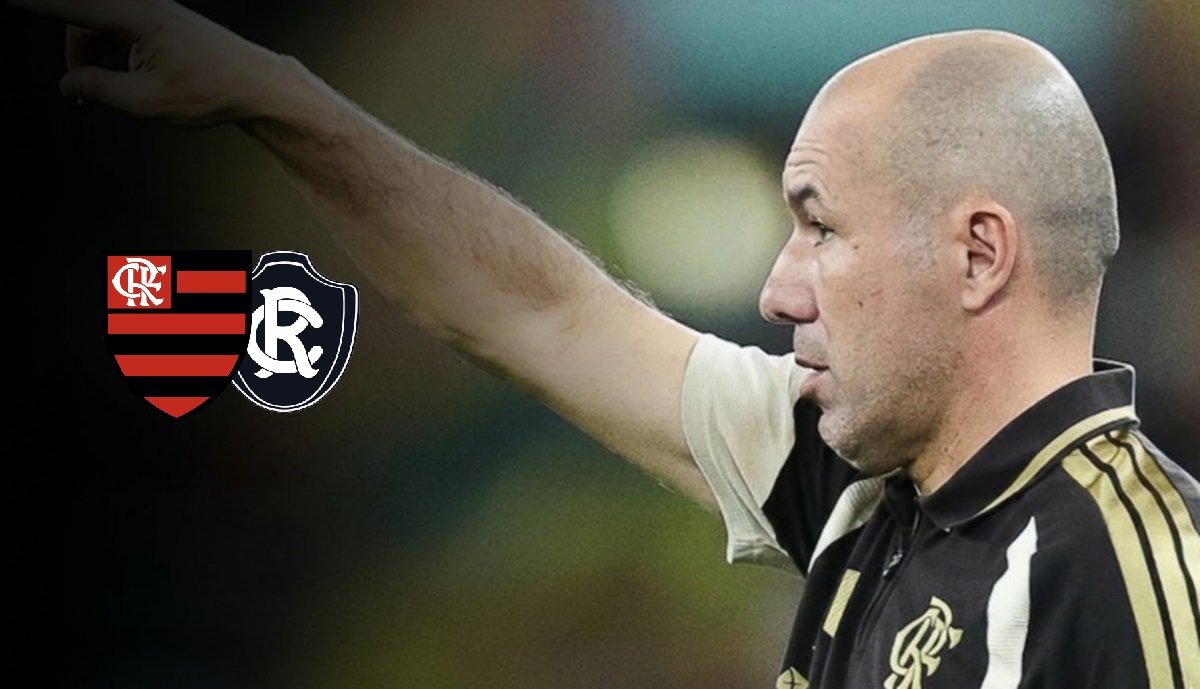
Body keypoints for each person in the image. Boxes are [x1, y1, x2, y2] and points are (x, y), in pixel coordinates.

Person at [14, 1, 1199, 686]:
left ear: (979, 255)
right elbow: (536, 310)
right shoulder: (849, 474)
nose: (780, 286)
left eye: (827, 233)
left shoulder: (1129, 582)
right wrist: (282, 102)